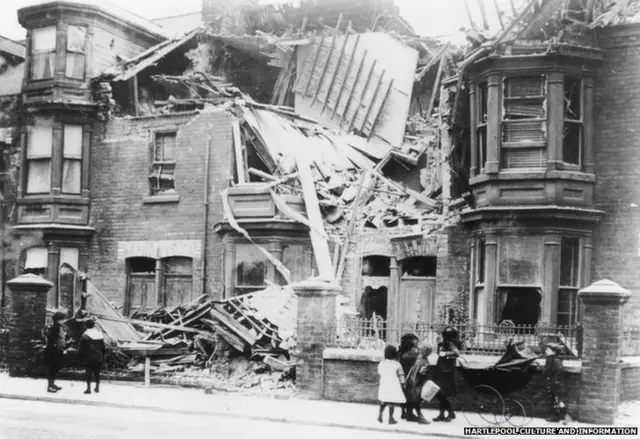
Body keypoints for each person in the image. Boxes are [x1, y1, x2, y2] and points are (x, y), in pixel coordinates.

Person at [432, 326, 462, 422]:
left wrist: (445, 354)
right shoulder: (444, 343)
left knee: (441, 393)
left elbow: (456, 353)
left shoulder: (450, 343)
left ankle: (450, 413)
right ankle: (442, 414)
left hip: (446, 372)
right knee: (440, 393)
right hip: (442, 370)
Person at [404, 342, 433, 424]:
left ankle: (409, 415)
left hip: (411, 381)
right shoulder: (424, 361)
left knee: (411, 399)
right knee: (417, 401)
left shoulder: (419, 358)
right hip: (417, 383)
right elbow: (422, 373)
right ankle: (420, 417)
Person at [377, 344, 406, 425]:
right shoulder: (397, 364)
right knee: (392, 401)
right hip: (393, 383)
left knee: (384, 400)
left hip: (384, 383)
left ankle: (380, 415)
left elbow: (379, 372)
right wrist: (403, 383)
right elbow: (401, 375)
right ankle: (390, 418)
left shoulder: (381, 363)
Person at [542, 343, 570, 424]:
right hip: (553, 383)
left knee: (558, 400)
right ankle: (556, 417)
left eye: (548, 350)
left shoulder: (556, 360)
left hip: (556, 384)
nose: (546, 351)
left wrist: (554, 382)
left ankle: (566, 417)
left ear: (553, 351)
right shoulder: (550, 359)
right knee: (554, 400)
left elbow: (559, 372)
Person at [78, 318, 106, 394]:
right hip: (98, 356)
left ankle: (88, 389)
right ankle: (97, 387)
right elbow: (103, 347)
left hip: (89, 356)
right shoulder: (99, 334)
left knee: (88, 373)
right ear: (94, 325)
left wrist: (80, 357)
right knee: (97, 372)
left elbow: (82, 348)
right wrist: (103, 356)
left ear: (86, 326)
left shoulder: (85, 335)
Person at [398, 333, 420, 421]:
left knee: (404, 394)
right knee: (410, 395)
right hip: (409, 377)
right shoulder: (411, 353)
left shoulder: (401, 351)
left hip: (402, 376)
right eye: (415, 342)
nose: (416, 343)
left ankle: (403, 412)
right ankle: (410, 415)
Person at [44, 311, 67, 393]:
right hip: (54, 351)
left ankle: (52, 384)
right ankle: (50, 386)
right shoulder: (55, 327)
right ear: (58, 320)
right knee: (52, 368)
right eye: (62, 319)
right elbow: (51, 338)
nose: (63, 321)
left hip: (57, 350)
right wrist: (56, 347)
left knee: (55, 368)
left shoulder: (59, 327)